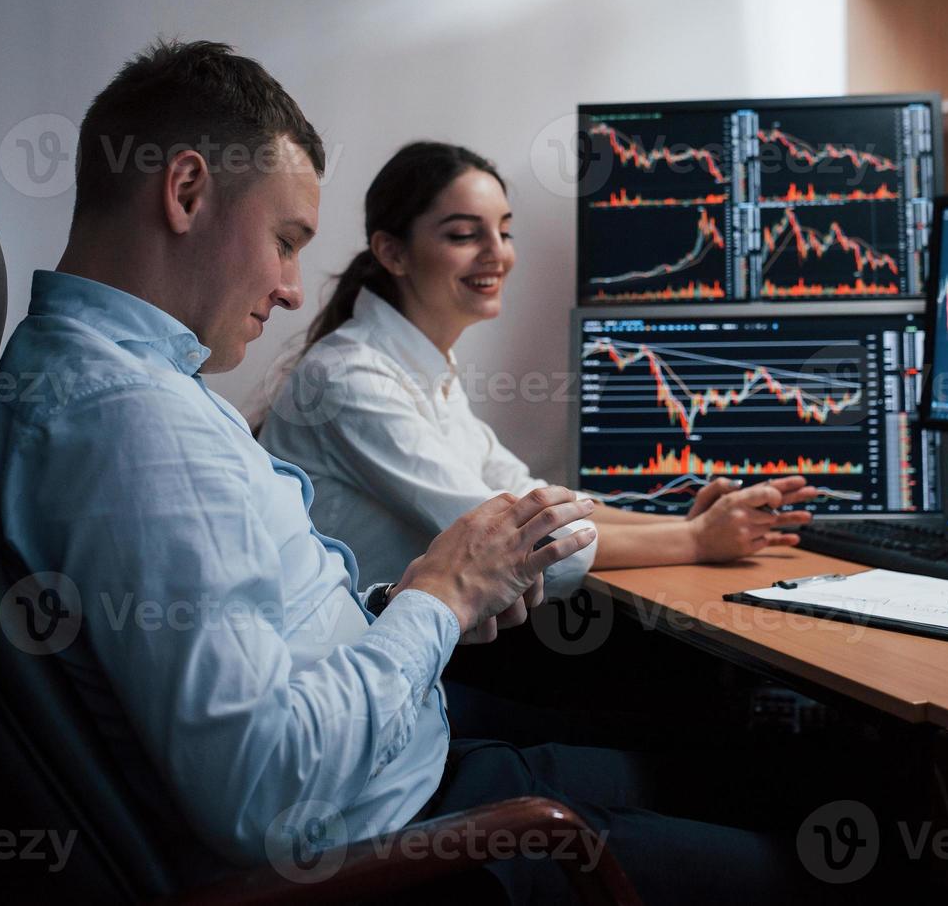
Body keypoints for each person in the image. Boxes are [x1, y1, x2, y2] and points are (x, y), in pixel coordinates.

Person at [0, 39, 844, 904]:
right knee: (812, 852)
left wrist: (407, 609)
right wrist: (439, 599)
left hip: (404, 769)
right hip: (390, 849)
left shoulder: (131, 383)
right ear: (187, 191)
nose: (289, 288)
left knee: (745, 775)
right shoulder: (132, 422)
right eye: (284, 241)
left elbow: (284, 631)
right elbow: (264, 790)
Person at [257, 141, 820, 603]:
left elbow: (530, 498)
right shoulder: (351, 379)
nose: (497, 253)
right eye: (463, 234)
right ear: (393, 253)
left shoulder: (423, 367)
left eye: (503, 230)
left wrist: (681, 523)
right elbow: (508, 541)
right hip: (368, 665)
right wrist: (695, 541)